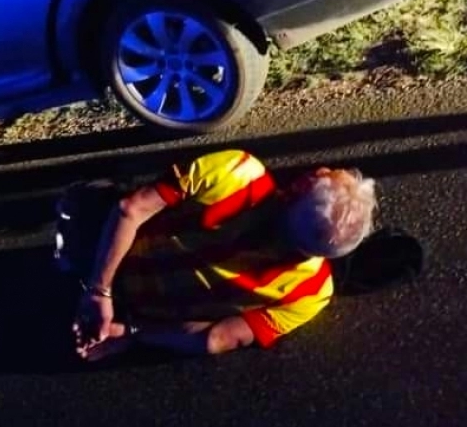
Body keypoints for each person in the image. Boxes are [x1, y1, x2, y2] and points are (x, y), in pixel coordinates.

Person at [68, 149, 385, 362]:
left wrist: (99, 292)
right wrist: (130, 332)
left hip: (97, 256)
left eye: (326, 173)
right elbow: (216, 339)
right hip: (133, 314)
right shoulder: (313, 293)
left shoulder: (238, 171)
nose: (322, 169)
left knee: (89, 196)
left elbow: (130, 210)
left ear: (298, 188)